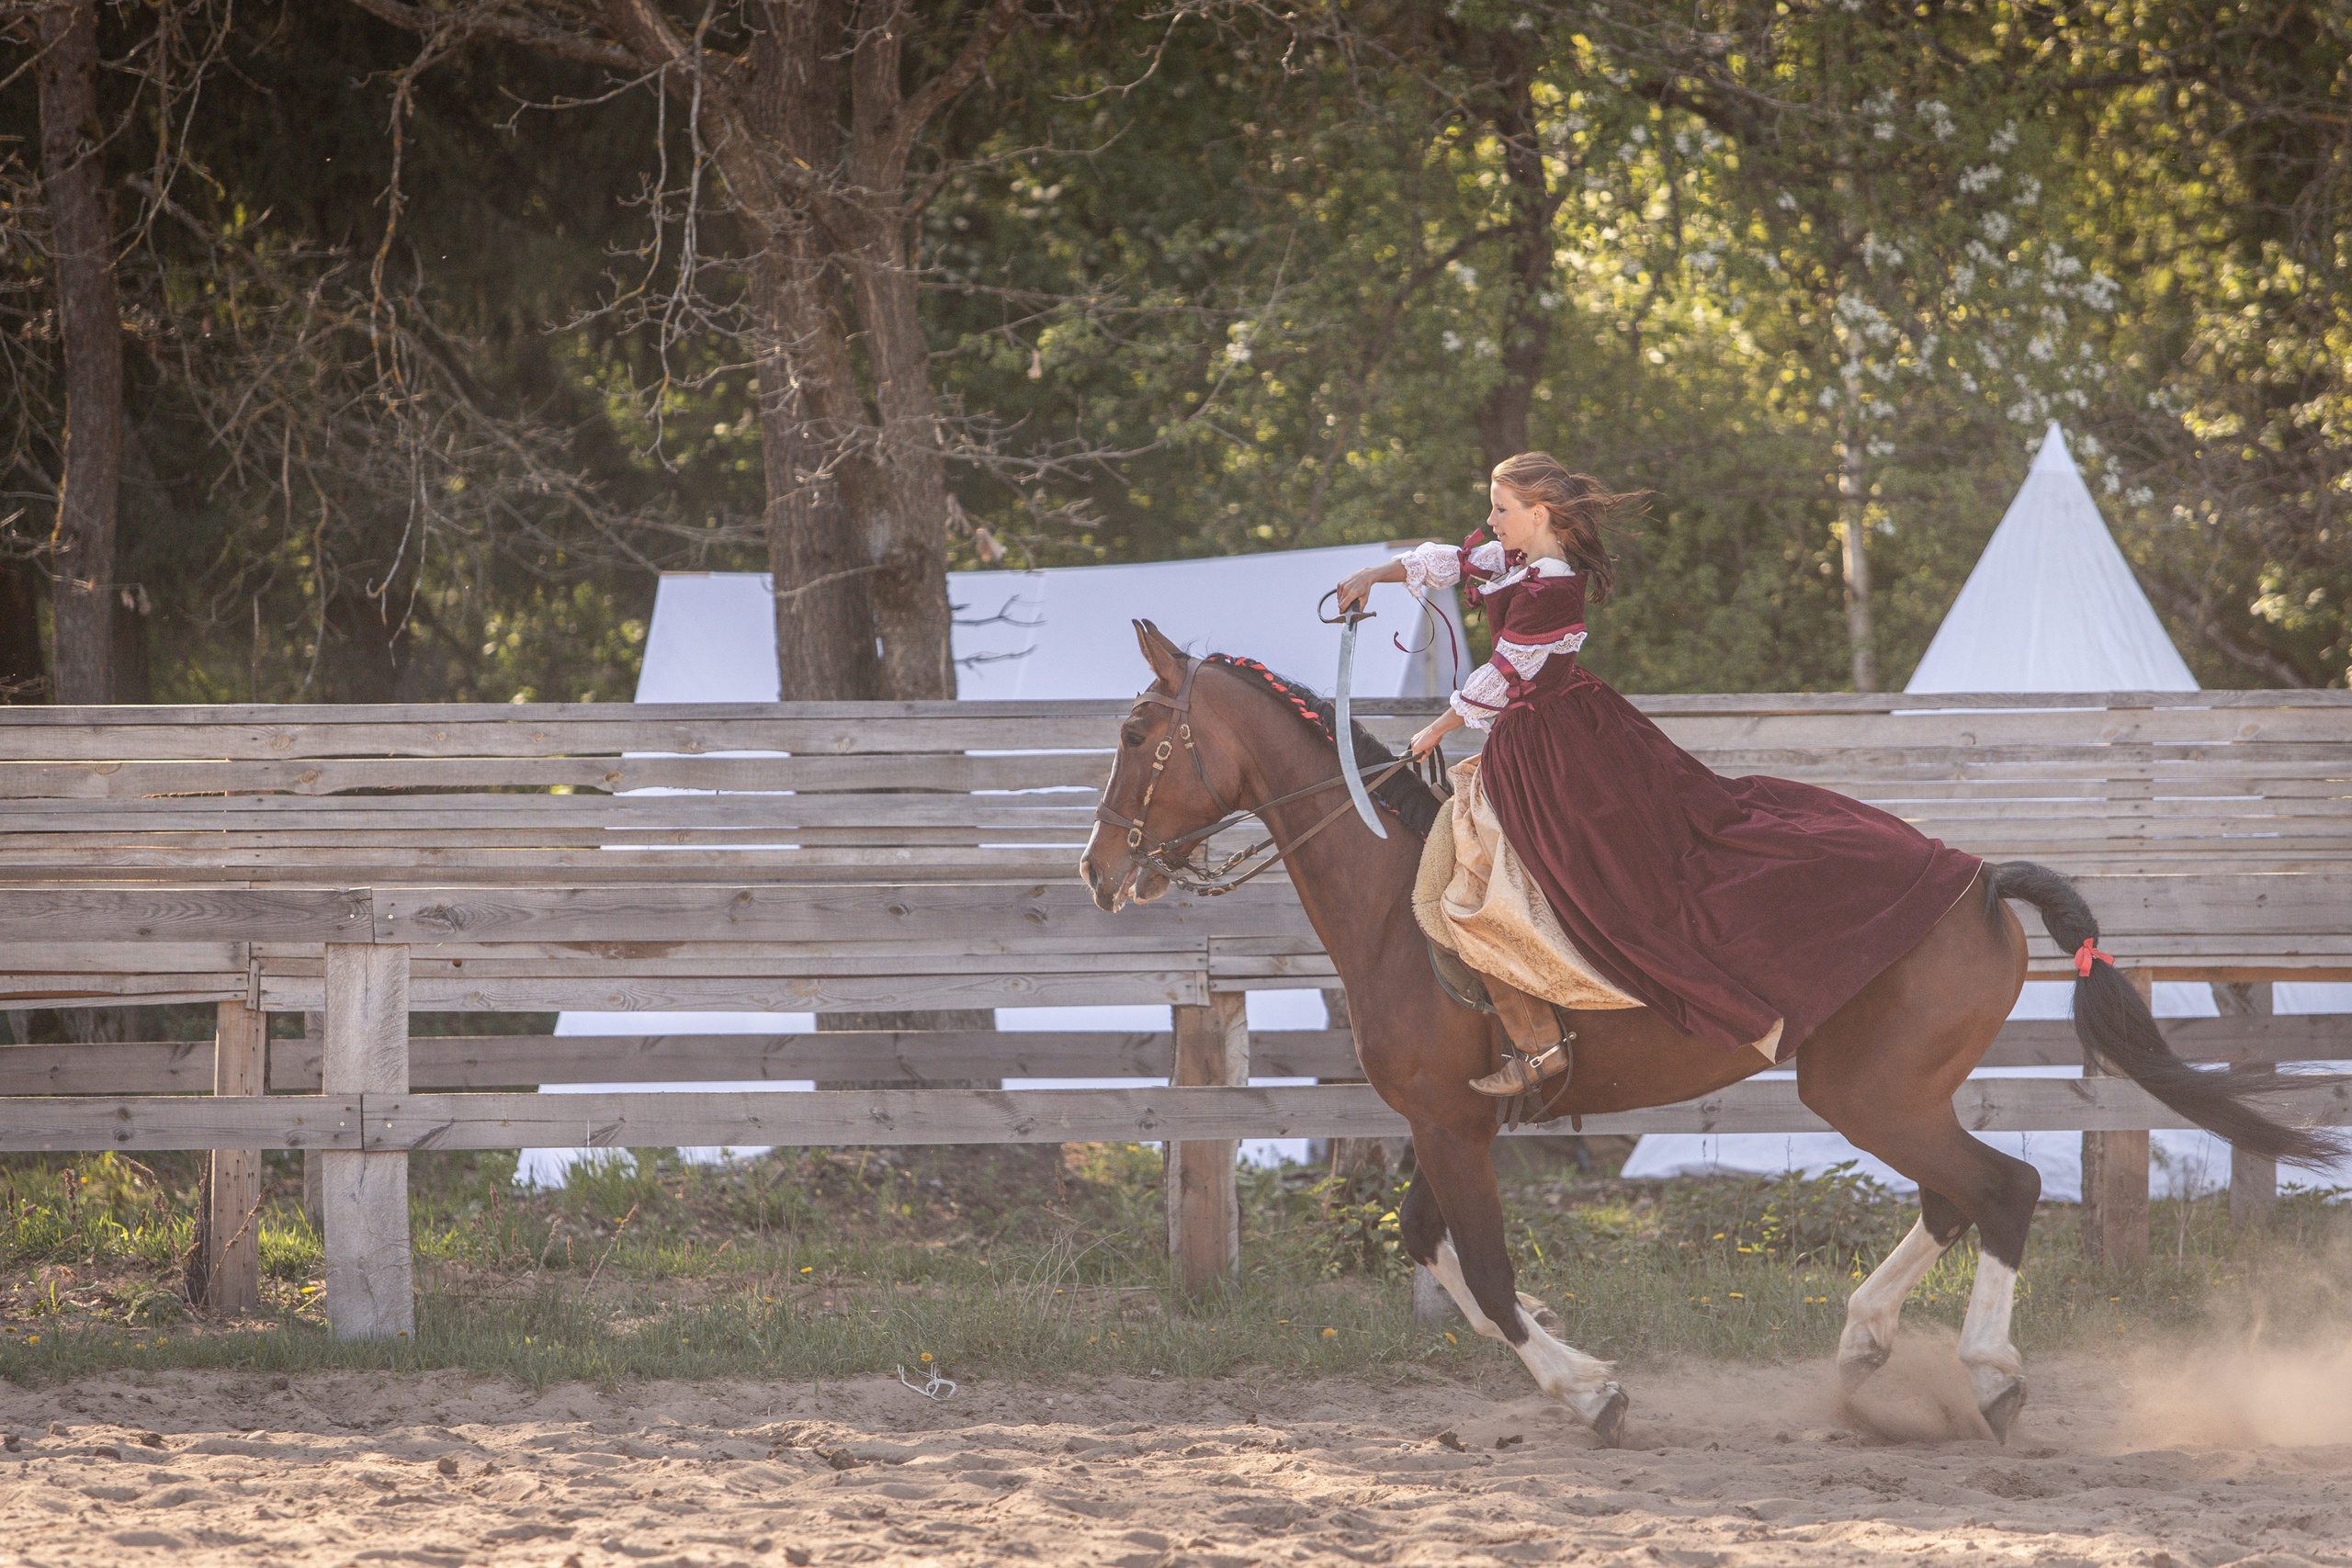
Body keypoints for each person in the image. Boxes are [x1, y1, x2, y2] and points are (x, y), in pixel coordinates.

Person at [1335, 452, 1981, 1093]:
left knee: (1500, 886)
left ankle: (1543, 1041)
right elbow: (1456, 560)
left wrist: (1436, 730)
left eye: (1501, 509)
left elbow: (1503, 674)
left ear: (1539, 514)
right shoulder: (1517, 557)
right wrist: (1375, 573)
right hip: (1550, 736)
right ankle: (1531, 1028)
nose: (1490, 519)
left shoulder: (1552, 588)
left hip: (1555, 750)